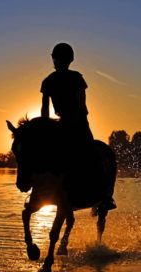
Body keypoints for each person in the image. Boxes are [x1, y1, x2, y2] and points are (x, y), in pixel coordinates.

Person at [40, 42, 116, 210]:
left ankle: (104, 196)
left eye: (56, 58)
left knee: (90, 152)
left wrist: (46, 126)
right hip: (77, 122)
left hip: (68, 122)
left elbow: (45, 109)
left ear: (56, 59)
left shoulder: (49, 81)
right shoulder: (75, 78)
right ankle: (105, 196)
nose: (55, 61)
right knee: (89, 152)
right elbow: (81, 104)